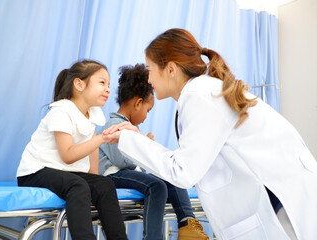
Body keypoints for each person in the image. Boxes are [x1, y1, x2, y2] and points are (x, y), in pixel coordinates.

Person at [103, 28, 317, 240]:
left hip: (281, 200)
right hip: (277, 196)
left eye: (150, 69)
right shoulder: (201, 92)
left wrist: (130, 139)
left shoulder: (199, 96)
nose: (148, 80)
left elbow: (182, 171)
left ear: (170, 69)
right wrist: (135, 138)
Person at [16, 60, 128, 240]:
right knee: (78, 186)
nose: (108, 89)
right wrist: (103, 138)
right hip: (36, 171)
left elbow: (92, 151)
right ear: (79, 84)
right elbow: (67, 155)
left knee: (104, 184)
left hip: (65, 173)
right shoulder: (62, 111)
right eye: (101, 82)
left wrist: (95, 179)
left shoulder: (92, 113)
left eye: (109, 84)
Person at [98, 63, 209, 240]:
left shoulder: (129, 129)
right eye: (148, 111)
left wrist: (142, 146)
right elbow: (122, 163)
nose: (146, 116)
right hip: (112, 176)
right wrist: (142, 146)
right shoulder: (114, 126)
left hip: (126, 174)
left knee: (171, 174)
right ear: (138, 103)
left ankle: (188, 224)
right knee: (156, 186)